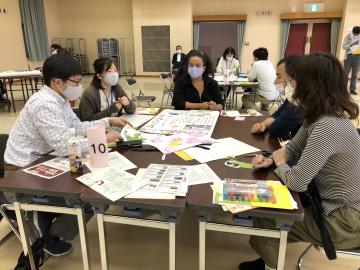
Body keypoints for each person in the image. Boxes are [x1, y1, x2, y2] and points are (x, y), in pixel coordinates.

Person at [239, 53, 360, 270]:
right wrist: (271, 160)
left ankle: (270, 265)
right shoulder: (320, 116)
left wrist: (280, 162)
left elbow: (296, 182)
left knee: (267, 216)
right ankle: (268, 260)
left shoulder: (327, 126)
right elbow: (292, 148)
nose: (288, 86)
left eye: (292, 81)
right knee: (269, 205)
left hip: (344, 219)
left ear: (311, 86)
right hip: (331, 204)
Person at [4, 53, 129, 257]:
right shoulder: (44, 104)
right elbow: (64, 146)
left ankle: (48, 226)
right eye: (76, 82)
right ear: (57, 82)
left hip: (44, 156)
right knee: (88, 194)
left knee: (92, 184)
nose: (79, 86)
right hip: (24, 166)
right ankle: (45, 233)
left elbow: (77, 127)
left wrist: (107, 122)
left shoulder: (59, 98)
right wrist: (103, 139)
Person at [251, 55, 303, 139]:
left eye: (279, 77)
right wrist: (262, 125)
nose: (275, 81)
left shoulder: (299, 103)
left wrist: (271, 123)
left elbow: (276, 130)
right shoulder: (291, 98)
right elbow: (276, 115)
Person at [342, 26, 360, 95]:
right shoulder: (348, 37)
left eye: (357, 34)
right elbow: (344, 47)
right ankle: (343, 89)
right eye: (355, 34)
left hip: (358, 57)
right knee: (345, 74)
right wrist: (351, 45)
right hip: (349, 57)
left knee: (354, 75)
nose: (356, 35)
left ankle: (352, 89)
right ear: (352, 32)